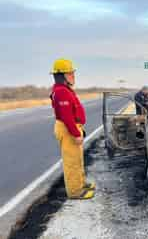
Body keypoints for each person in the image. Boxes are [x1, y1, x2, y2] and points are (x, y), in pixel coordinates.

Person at [50, 58, 95, 199]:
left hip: (72, 128)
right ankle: (75, 192)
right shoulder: (62, 92)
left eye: (72, 73)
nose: (73, 76)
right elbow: (66, 117)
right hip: (68, 129)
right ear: (61, 76)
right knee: (72, 162)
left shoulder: (65, 89)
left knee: (78, 159)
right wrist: (76, 133)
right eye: (70, 73)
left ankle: (80, 183)